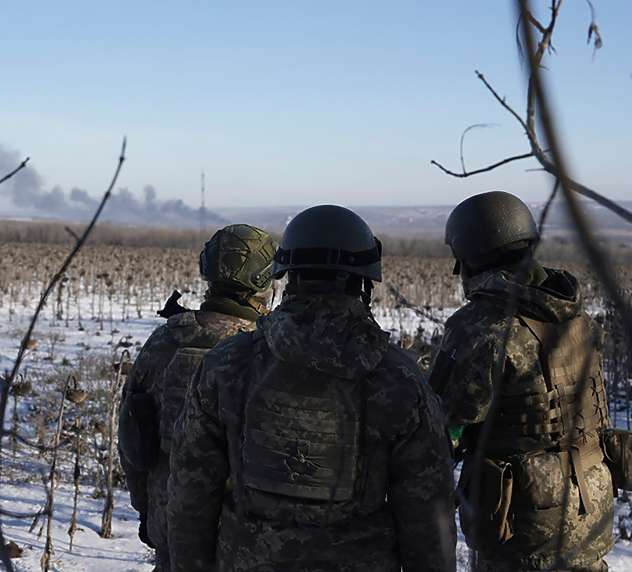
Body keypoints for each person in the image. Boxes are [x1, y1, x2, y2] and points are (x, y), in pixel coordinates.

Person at [168, 204, 456, 572]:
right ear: (364, 281)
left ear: (285, 275)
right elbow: (428, 516)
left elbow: (191, 494)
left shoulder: (226, 364)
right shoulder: (399, 378)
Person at [428, 191, 614, 571]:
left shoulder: (480, 326)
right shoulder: (576, 316)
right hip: (592, 508)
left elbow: (441, 419)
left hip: (524, 524)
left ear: (471, 255)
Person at [118, 223, 278, 572]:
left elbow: (132, 439)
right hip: (250, 540)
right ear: (265, 282)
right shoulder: (272, 351)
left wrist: (148, 510)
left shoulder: (166, 340)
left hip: (171, 527)